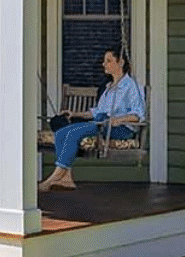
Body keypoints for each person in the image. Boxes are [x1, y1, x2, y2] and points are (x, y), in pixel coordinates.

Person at [39, 47, 145, 191]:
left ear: (121, 62)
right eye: (104, 61)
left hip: (120, 129)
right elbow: (97, 112)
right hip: (102, 124)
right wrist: (75, 114)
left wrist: (118, 120)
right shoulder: (109, 87)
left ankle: (54, 177)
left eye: (108, 61)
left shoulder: (131, 86)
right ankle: (67, 178)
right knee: (61, 132)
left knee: (73, 133)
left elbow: (138, 115)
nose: (104, 64)